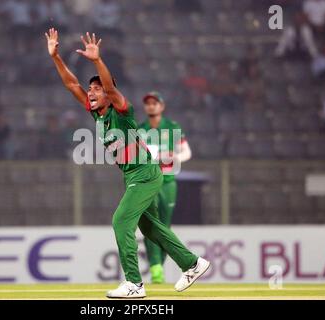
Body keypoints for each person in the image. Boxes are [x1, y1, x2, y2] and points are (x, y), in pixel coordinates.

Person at [45, 28, 210, 298]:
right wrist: (56, 57)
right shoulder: (97, 114)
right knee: (150, 226)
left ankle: (134, 283)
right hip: (133, 174)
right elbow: (71, 85)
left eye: (98, 88)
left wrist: (97, 60)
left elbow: (110, 88)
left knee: (121, 221)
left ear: (109, 94)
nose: (92, 91)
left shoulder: (122, 109)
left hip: (145, 172)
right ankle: (192, 263)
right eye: (91, 88)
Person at [138, 91, 192, 284]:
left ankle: (158, 265)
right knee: (150, 224)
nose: (151, 106)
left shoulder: (172, 127)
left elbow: (186, 151)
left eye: (155, 103)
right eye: (148, 103)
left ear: (162, 106)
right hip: (148, 182)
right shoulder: (140, 129)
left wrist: (176, 157)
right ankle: (155, 267)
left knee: (165, 226)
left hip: (168, 182)